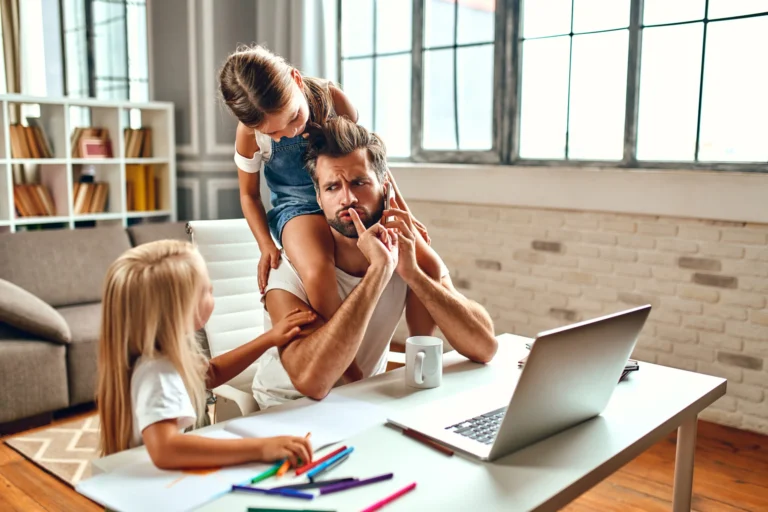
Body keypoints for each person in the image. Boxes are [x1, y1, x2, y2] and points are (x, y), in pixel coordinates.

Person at [251, 117, 498, 409]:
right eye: (332, 188)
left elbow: (484, 347)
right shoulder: (289, 269)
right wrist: (378, 272)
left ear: (385, 187)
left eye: (359, 183)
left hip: (363, 402)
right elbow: (313, 383)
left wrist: (413, 275)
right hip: (288, 409)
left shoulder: (405, 252)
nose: (348, 199)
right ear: (317, 197)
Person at [96, 240, 314, 469]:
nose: (213, 293)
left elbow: (210, 374)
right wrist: (261, 448)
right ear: (178, 310)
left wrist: (269, 339)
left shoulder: (162, 353)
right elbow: (165, 449)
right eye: (206, 290)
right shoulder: (157, 372)